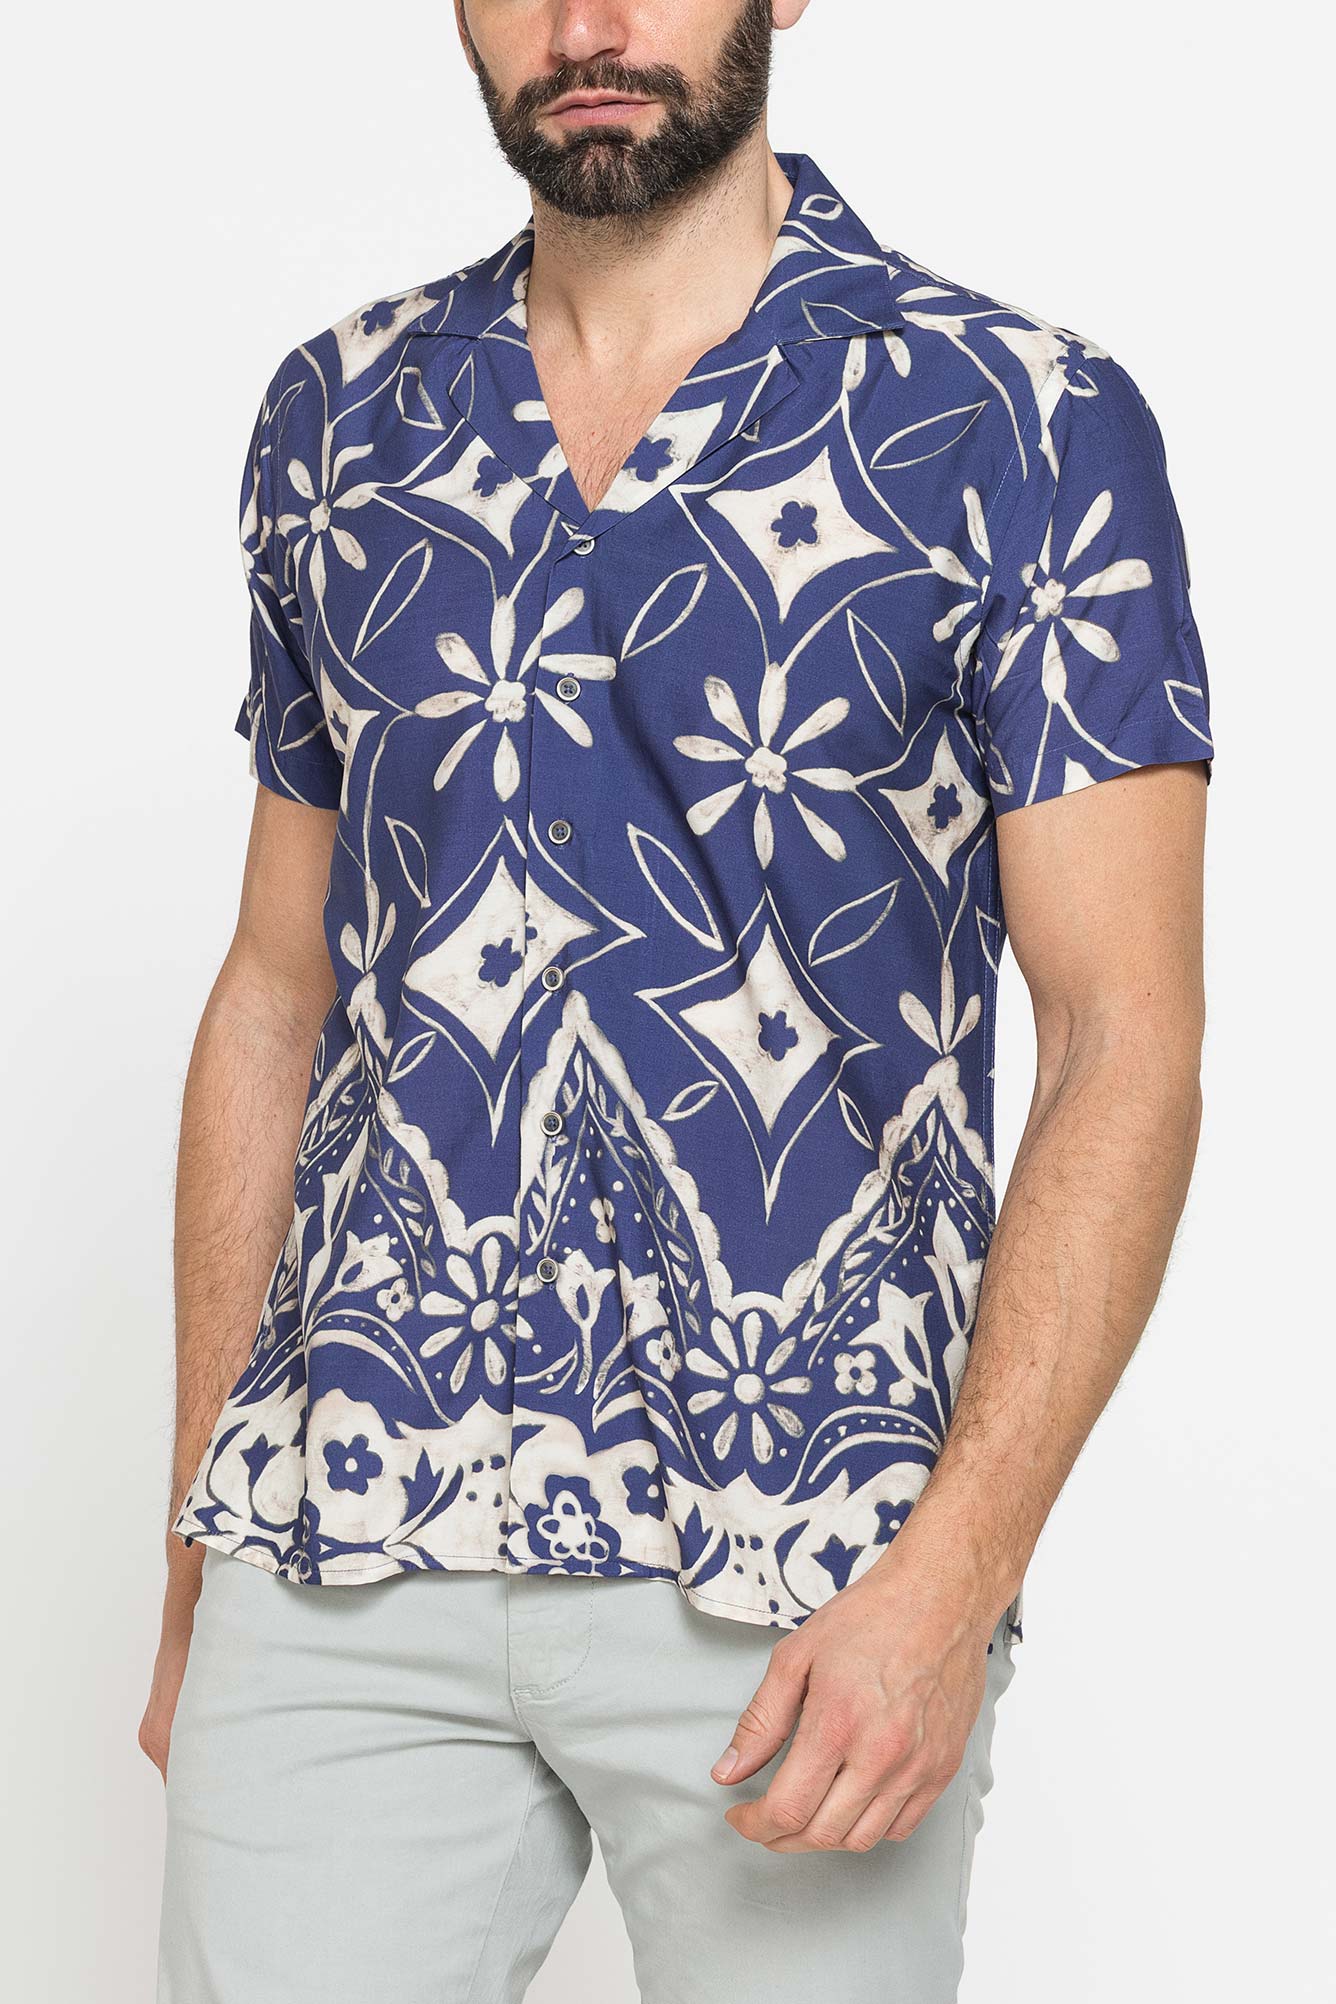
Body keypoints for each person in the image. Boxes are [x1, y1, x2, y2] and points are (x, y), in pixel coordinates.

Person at [142, 2, 1215, 1998]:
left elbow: (1119, 1042)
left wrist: (955, 1574)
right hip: (343, 1528)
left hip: (806, 1566)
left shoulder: (1019, 421)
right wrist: (204, 1540)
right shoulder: (340, 416)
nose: (587, 27)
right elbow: (275, 999)